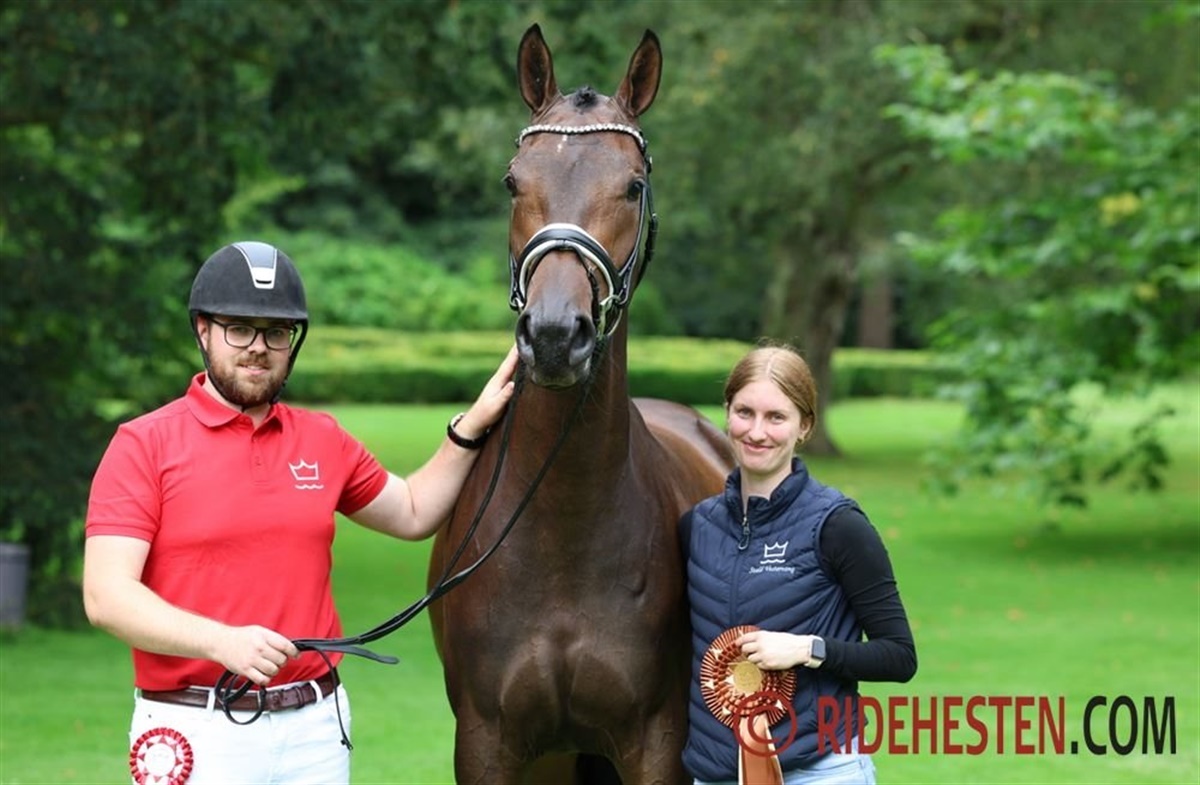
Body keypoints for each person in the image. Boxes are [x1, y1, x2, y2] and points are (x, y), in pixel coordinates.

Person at [83, 240, 517, 785]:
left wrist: (471, 425)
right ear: (203, 330)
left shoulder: (322, 439)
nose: (258, 348)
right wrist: (221, 641)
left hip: (316, 726)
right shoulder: (143, 444)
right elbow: (107, 596)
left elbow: (410, 511)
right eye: (239, 329)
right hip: (196, 726)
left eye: (276, 332)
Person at [680, 343, 917, 785]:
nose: (757, 432)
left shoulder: (838, 525)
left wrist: (808, 649)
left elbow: (899, 657)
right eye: (745, 412)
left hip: (821, 770)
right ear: (727, 413)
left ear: (804, 426)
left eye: (776, 417)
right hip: (715, 775)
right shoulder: (696, 527)